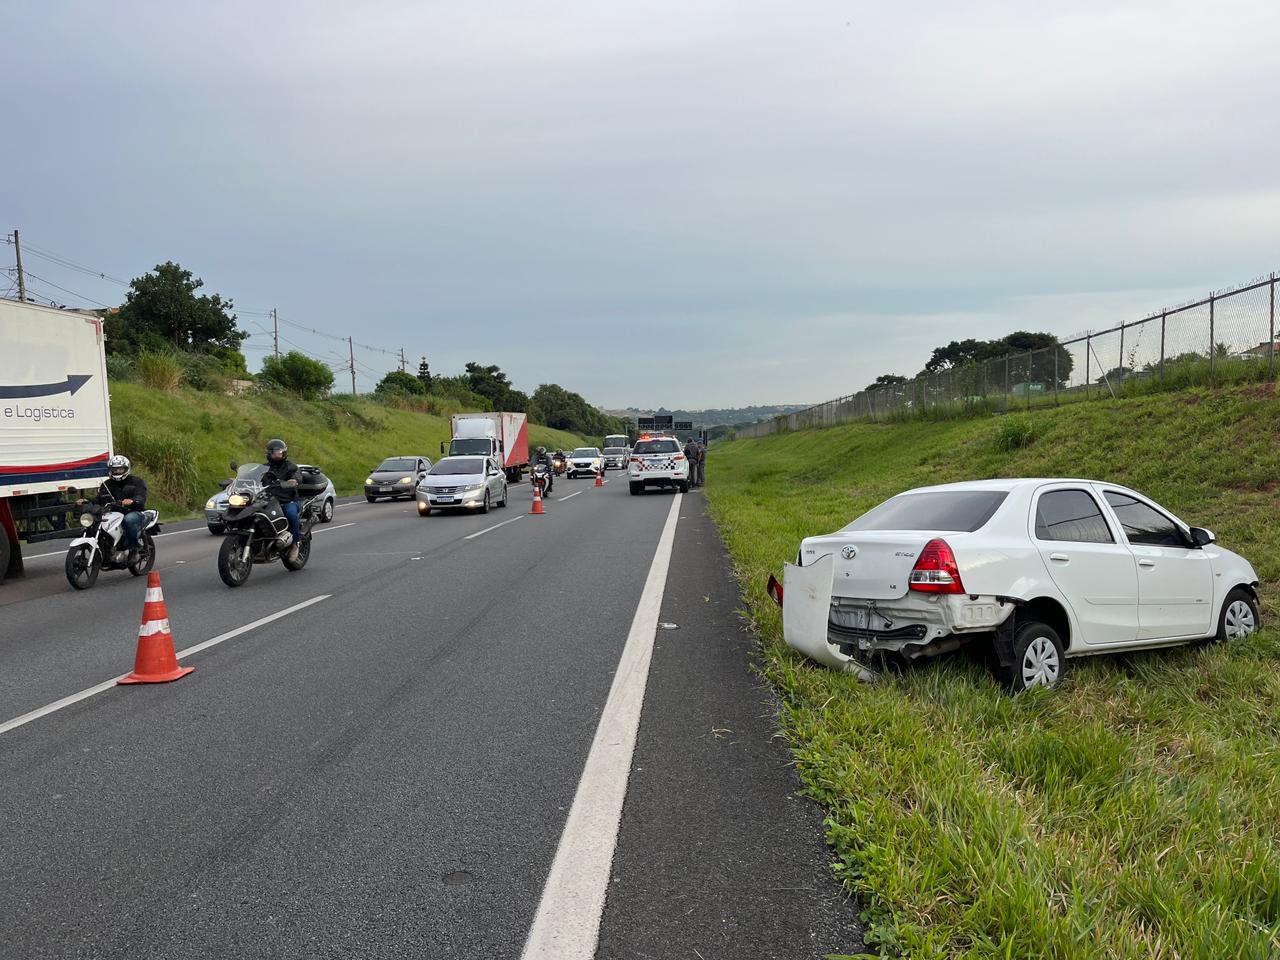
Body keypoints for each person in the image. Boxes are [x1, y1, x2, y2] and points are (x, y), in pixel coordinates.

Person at [76, 454, 148, 559]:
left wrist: (133, 501)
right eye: (115, 469)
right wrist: (86, 501)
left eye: (120, 469)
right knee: (98, 522)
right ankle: (106, 548)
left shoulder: (136, 481)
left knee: (128, 520)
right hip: (113, 513)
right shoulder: (107, 484)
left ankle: (134, 548)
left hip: (132, 511)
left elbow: (141, 496)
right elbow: (99, 499)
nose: (117, 472)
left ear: (126, 468)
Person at [263, 438, 302, 560]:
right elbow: (253, 476)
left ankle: (295, 544)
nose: (278, 455)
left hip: (288, 500)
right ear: (269, 453)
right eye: (275, 452)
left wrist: (294, 480)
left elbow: (297, 475)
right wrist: (238, 480)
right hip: (269, 500)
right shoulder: (264, 468)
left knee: (291, 514)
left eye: (280, 452)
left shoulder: (290, 467)